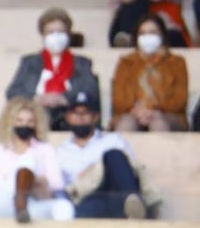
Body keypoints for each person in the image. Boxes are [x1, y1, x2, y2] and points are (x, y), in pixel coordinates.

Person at [5, 7, 100, 131]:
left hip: (69, 113)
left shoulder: (82, 63)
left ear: (68, 34)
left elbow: (91, 91)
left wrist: (63, 98)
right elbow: (13, 92)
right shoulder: (30, 62)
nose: (56, 37)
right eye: (50, 32)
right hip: (36, 113)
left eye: (60, 32)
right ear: (43, 35)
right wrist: (36, 99)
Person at [59, 90, 147, 220]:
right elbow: (62, 188)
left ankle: (133, 202)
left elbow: (132, 169)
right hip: (87, 199)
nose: (80, 117)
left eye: (85, 113)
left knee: (113, 155)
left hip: (115, 194)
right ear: (67, 117)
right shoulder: (60, 152)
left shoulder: (113, 140)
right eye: (75, 113)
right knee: (78, 213)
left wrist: (96, 168)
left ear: (95, 117)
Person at [0, 97, 75, 223]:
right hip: (4, 203)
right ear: (10, 123)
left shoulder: (45, 149)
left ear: (36, 124)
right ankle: (20, 201)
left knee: (64, 207)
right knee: (28, 160)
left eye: (30, 121)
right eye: (20, 121)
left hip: (34, 203)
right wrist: (30, 181)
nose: (24, 125)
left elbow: (56, 183)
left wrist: (32, 182)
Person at [111, 14, 189, 131]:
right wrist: (136, 110)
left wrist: (153, 109)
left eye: (152, 32)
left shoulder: (176, 62)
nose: (147, 37)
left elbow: (179, 100)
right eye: (142, 33)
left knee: (157, 122)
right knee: (126, 123)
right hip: (132, 113)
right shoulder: (126, 62)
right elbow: (118, 99)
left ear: (162, 35)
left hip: (168, 115)